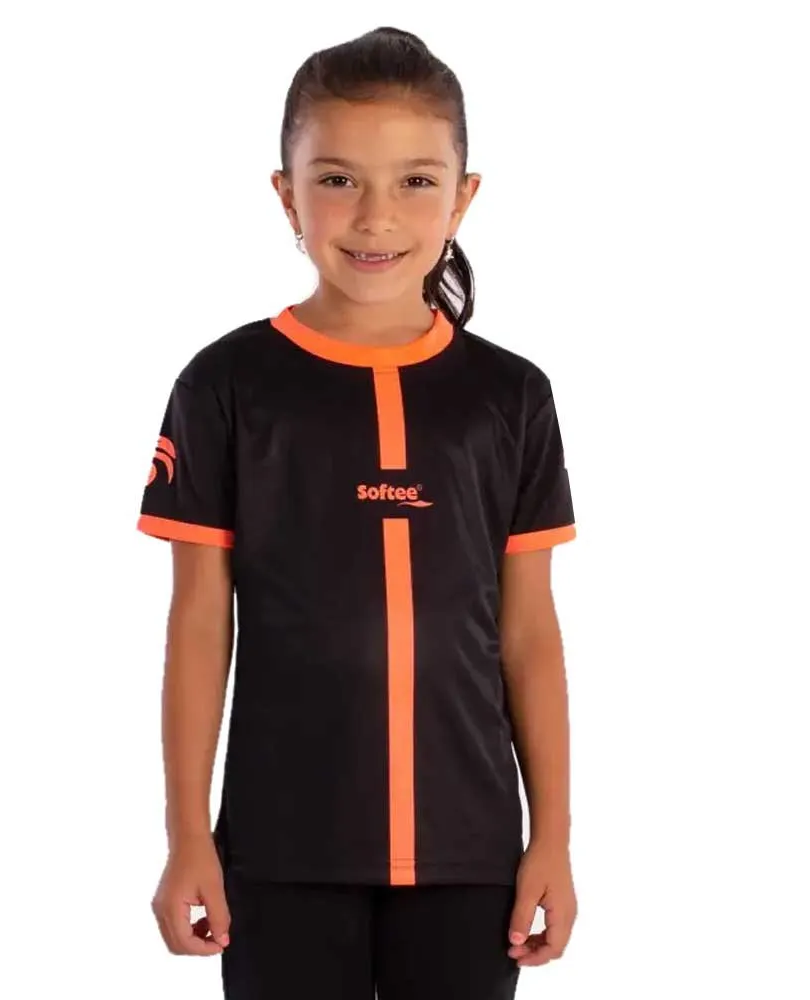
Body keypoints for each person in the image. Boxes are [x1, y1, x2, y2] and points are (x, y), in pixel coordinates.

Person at [136, 25, 578, 1000]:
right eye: (337, 179)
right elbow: (200, 622)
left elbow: (527, 634)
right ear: (285, 193)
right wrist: (187, 835)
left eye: (416, 181)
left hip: (470, 853)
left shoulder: (510, 397)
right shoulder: (226, 385)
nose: (376, 215)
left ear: (463, 197)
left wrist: (550, 837)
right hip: (278, 849)